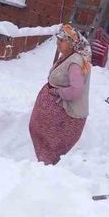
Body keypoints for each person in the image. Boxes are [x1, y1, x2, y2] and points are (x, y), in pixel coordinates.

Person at [29, 24, 91, 165]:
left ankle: (46, 168)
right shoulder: (68, 57)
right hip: (58, 112)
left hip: (67, 116)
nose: (58, 43)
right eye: (57, 40)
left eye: (62, 41)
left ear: (71, 43)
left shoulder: (75, 62)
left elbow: (76, 90)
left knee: (52, 147)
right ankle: (44, 164)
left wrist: (57, 92)